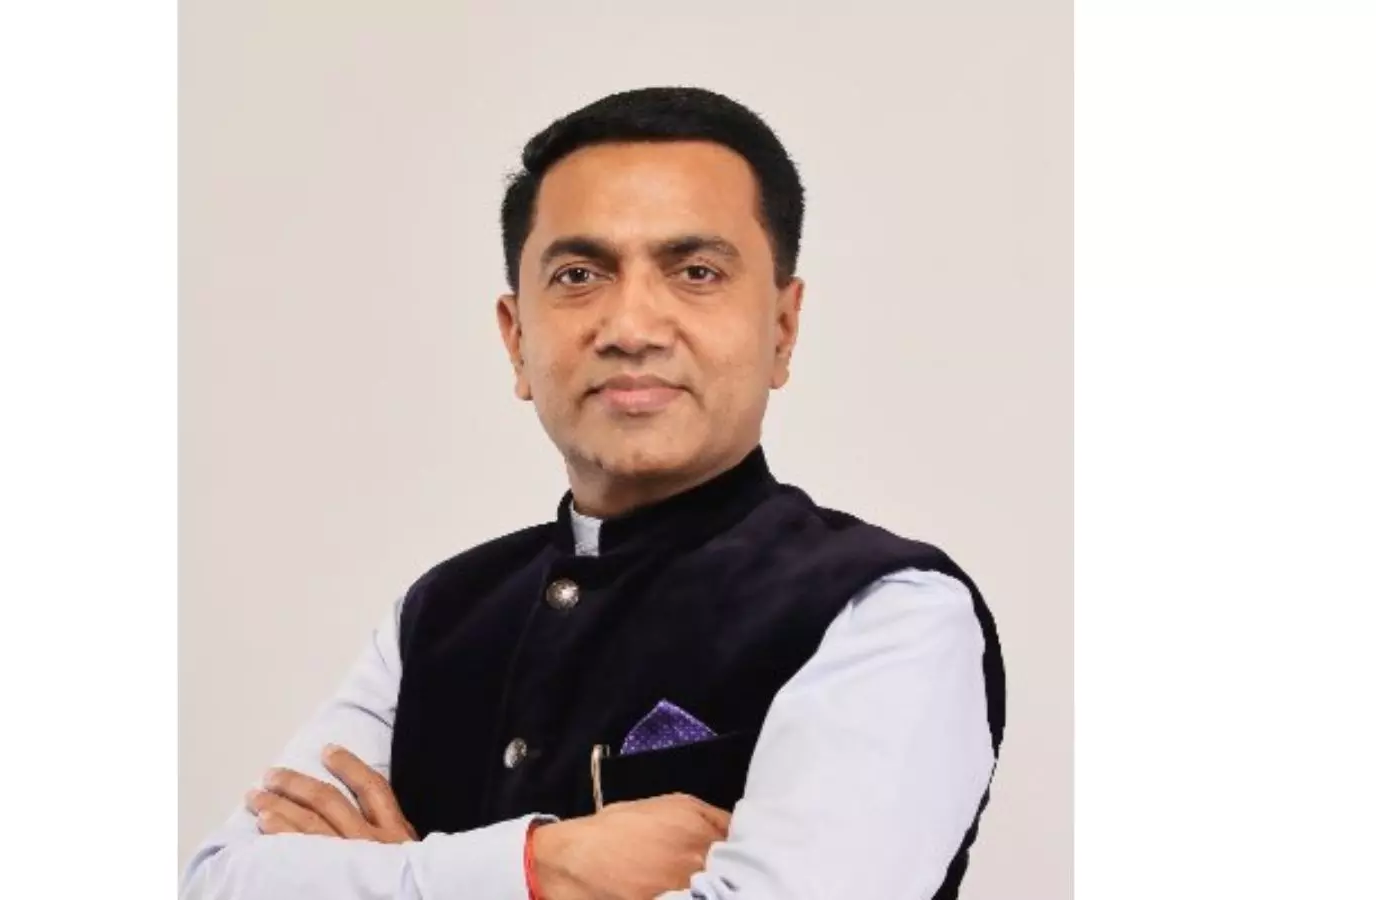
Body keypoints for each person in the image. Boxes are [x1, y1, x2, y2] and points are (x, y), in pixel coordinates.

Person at [181, 86, 1005, 900]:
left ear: (782, 330)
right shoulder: (439, 616)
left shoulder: (886, 612)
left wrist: (394, 875)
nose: (632, 328)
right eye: (579, 274)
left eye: (696, 271)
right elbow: (219, 885)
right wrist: (541, 865)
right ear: (516, 340)